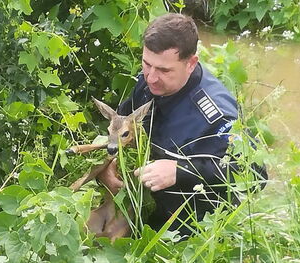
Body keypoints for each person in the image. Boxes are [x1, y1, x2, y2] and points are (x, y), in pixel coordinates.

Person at [100, 13, 267, 238]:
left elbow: (255, 174)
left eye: (164, 70)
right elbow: (123, 120)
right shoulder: (149, 81)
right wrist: (108, 168)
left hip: (192, 228)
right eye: (146, 64)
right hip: (144, 203)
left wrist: (180, 171)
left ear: (191, 63)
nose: (151, 78)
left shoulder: (214, 114)